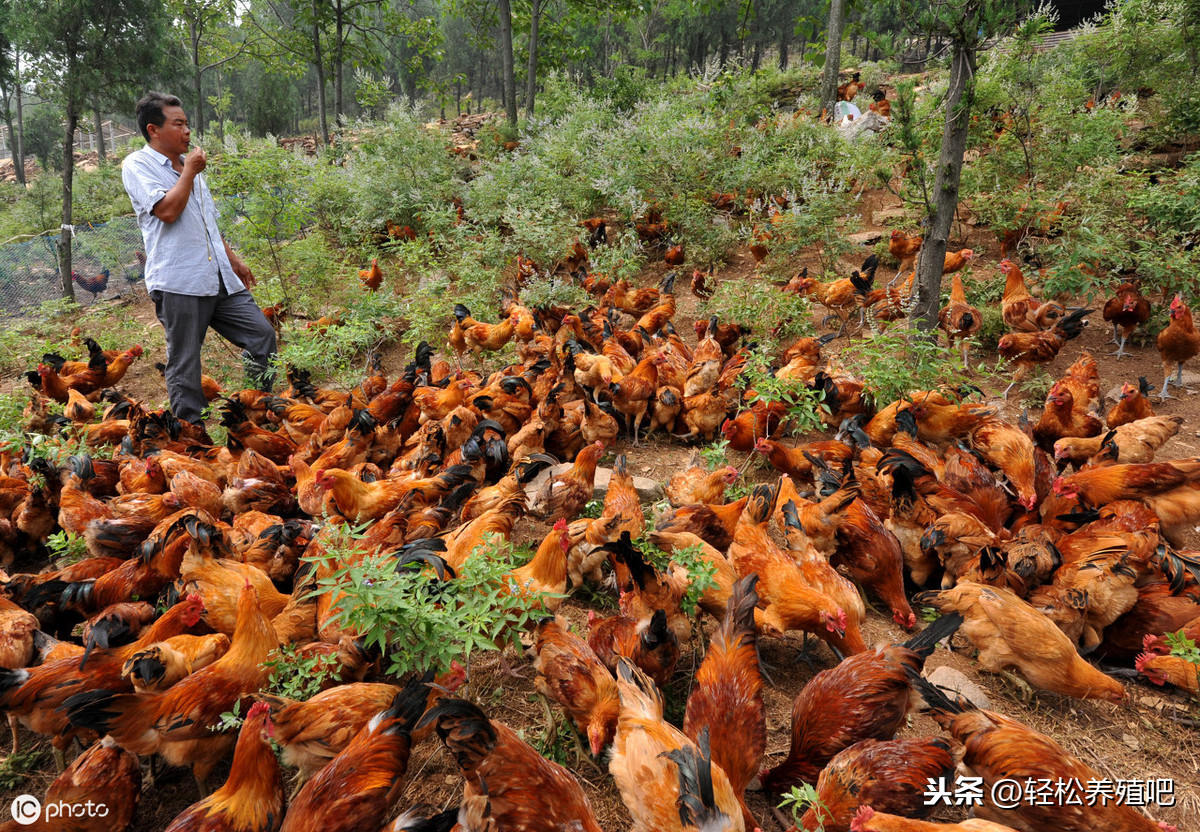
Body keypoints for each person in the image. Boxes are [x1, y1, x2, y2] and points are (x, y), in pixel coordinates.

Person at [122, 91, 276, 433]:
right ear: (154, 129)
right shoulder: (138, 165)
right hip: (180, 281)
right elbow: (167, 212)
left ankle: (258, 412)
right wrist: (189, 172)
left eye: (187, 123)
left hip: (218, 275)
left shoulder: (192, 168)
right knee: (185, 363)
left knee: (261, 335)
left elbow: (207, 221)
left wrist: (233, 259)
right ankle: (192, 436)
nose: (187, 131)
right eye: (178, 124)